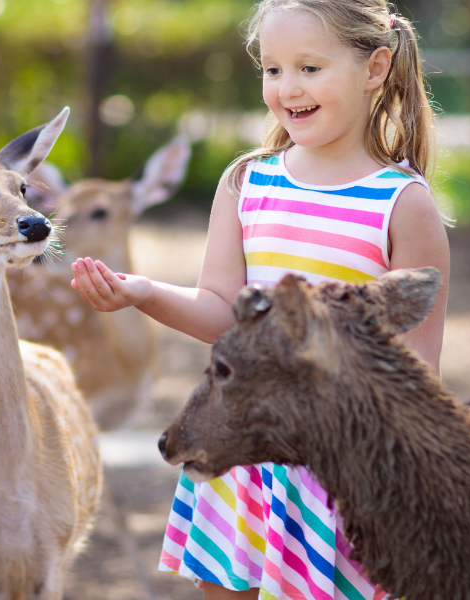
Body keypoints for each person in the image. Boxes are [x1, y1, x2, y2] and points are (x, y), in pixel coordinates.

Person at [70, 1, 450, 598]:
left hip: (341, 471)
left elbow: (417, 371)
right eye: (272, 70)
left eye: (308, 68)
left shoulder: (402, 205)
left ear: (375, 68)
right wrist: (142, 293)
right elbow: (222, 311)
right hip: (242, 459)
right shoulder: (247, 182)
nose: (287, 88)